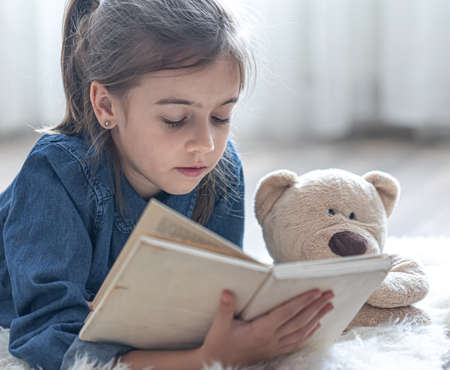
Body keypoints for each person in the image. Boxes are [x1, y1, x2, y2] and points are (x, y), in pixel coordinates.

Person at [0, 0, 335, 369]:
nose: (206, 145)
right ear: (106, 106)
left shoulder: (218, 169)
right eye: (175, 120)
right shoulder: (56, 171)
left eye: (221, 116)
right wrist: (205, 359)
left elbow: (213, 299)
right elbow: (47, 337)